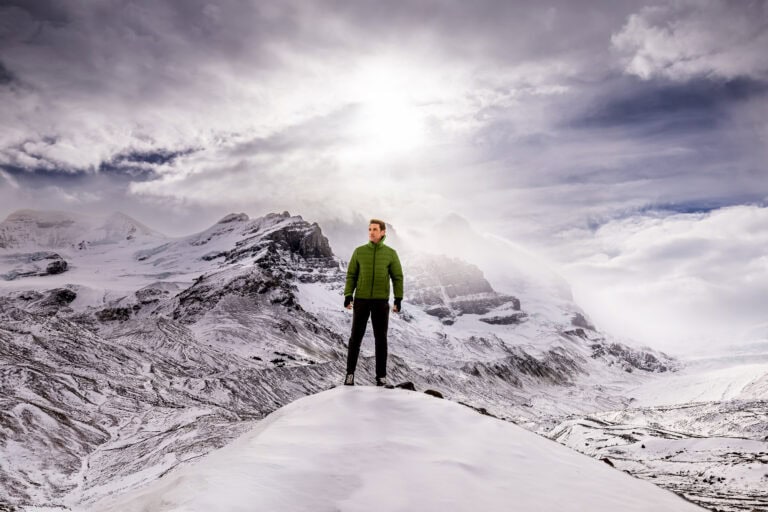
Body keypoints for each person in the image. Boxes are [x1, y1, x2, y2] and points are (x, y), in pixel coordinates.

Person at [343, 218, 404, 388]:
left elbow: (397, 277)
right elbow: (351, 276)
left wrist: (398, 298)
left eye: (375, 229)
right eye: (370, 229)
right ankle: (349, 375)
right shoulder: (359, 252)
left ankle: (381, 377)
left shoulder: (391, 254)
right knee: (355, 338)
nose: (371, 232)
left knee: (381, 340)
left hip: (380, 303)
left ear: (383, 232)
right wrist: (348, 295)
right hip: (361, 301)